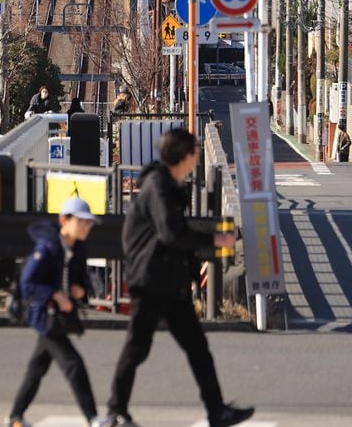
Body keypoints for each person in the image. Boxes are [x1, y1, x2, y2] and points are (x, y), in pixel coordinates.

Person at [94, 129, 254, 427]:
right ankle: (115, 411)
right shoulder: (158, 186)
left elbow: (173, 236)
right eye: (194, 151)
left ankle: (217, 411)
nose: (196, 157)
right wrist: (213, 244)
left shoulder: (168, 185)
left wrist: (197, 261)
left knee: (197, 348)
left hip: (169, 282)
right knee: (137, 347)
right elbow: (171, 233)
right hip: (151, 281)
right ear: (184, 155)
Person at [6, 196, 100, 427]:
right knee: (74, 365)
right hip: (44, 316)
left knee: (37, 368)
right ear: (64, 220)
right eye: (82, 221)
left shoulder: (77, 249)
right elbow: (28, 284)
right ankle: (93, 419)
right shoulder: (47, 247)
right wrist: (54, 295)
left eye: (89, 223)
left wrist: (81, 290)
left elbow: (82, 280)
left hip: (58, 317)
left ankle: (15, 417)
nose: (87, 227)